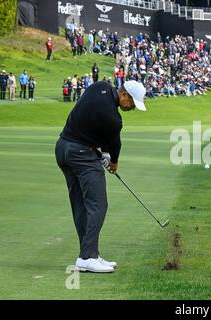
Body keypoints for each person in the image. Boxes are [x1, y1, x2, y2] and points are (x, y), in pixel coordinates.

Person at [55, 80, 146, 273]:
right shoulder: (114, 118)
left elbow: (94, 120)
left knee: (81, 204)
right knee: (98, 205)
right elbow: (114, 144)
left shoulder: (99, 86)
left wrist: (103, 153)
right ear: (124, 95)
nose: (132, 108)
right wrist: (112, 161)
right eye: (132, 104)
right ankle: (86, 257)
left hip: (63, 148)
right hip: (81, 154)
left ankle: (90, 254)